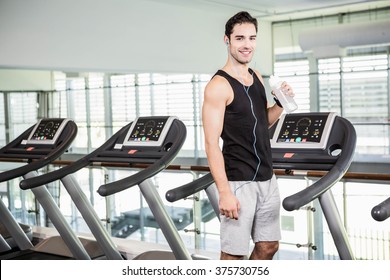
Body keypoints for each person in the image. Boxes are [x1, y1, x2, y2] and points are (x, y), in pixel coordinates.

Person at [202, 11, 295, 260]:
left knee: (269, 246)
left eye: (252, 38)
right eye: (240, 38)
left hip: (267, 177)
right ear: (227, 40)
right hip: (238, 181)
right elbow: (211, 143)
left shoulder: (255, 77)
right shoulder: (218, 86)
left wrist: (280, 103)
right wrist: (224, 192)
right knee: (233, 256)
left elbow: (261, 122)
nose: (247, 45)